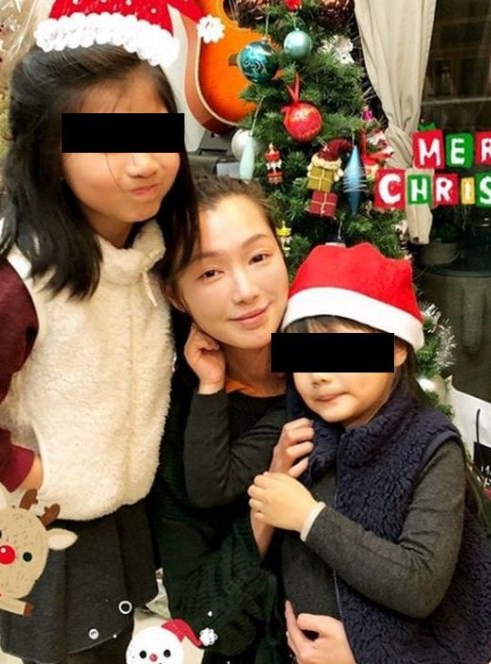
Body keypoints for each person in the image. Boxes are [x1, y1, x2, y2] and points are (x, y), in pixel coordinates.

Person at [0, 39, 198, 663]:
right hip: (42, 519)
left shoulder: (148, 247)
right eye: (105, 143)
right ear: (49, 153)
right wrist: (31, 472)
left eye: (155, 133)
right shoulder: (15, 278)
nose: (143, 163)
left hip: (118, 511)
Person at [248, 242, 491, 664]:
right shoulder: (302, 433)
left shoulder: (431, 447)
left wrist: (309, 518)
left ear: (396, 348)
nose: (319, 375)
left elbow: (420, 583)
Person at [153, 176, 359, 664]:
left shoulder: (348, 358)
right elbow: (201, 620)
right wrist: (267, 505)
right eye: (210, 273)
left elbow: (464, 533)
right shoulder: (175, 421)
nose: (245, 291)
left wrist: (376, 644)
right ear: (177, 294)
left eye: (258, 257)